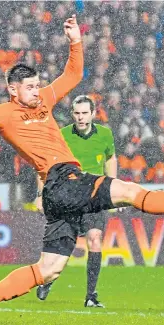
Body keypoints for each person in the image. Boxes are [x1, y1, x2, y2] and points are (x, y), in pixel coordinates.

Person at [0, 15, 164, 325]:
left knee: (49, 269)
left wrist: (75, 41)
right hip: (61, 180)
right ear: (13, 90)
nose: (37, 92)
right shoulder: (3, 113)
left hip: (59, 192)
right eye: (29, 87)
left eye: (38, 86)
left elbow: (74, 74)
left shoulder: (44, 101)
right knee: (125, 190)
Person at [36, 95, 117, 307]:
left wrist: (115, 190)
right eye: (77, 113)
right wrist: (40, 194)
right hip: (68, 195)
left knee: (95, 239)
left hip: (95, 195)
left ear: (93, 114)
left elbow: (110, 159)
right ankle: (48, 278)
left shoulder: (105, 135)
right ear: (72, 114)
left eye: (84, 113)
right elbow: (45, 164)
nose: (81, 118)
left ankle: (91, 296)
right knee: (63, 247)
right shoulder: (62, 136)